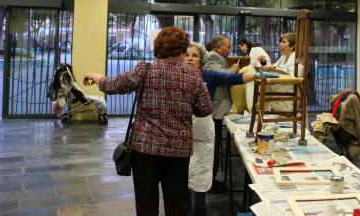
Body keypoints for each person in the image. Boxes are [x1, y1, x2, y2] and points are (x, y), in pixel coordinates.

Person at [84, 27, 212, 216]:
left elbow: (113, 85)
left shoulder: (145, 70)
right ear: (182, 49)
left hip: (145, 149)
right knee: (177, 205)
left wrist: (95, 76)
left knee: (146, 205)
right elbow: (205, 110)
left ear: (158, 47)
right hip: (178, 151)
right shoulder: (193, 76)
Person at [184, 42, 255, 215]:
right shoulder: (177, 76)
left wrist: (255, 73)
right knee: (182, 179)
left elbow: (234, 78)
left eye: (195, 55)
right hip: (181, 133)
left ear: (201, 60)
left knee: (199, 178)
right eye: (187, 55)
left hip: (202, 132)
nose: (190, 59)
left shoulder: (207, 75)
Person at [202, 34, 239, 191]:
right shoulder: (212, 59)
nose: (230, 49)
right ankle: (210, 184)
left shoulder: (217, 59)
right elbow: (222, 77)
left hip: (217, 111)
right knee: (212, 149)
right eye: (228, 46)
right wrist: (233, 70)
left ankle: (212, 181)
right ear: (218, 47)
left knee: (215, 148)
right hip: (213, 111)